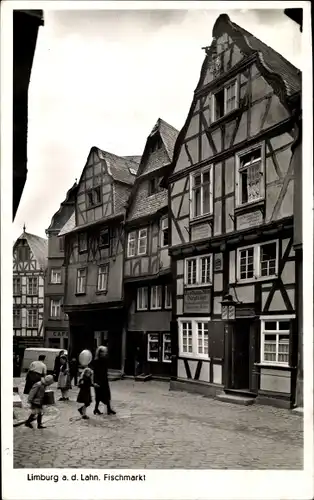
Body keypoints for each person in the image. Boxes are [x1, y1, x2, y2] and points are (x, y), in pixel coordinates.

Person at [93, 346, 116, 416]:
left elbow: (105, 370)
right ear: (100, 353)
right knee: (98, 395)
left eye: (105, 352)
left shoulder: (105, 360)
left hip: (104, 379)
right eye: (103, 352)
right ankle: (96, 408)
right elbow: (95, 372)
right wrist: (95, 382)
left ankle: (108, 409)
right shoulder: (96, 361)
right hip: (98, 379)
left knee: (107, 394)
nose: (105, 353)